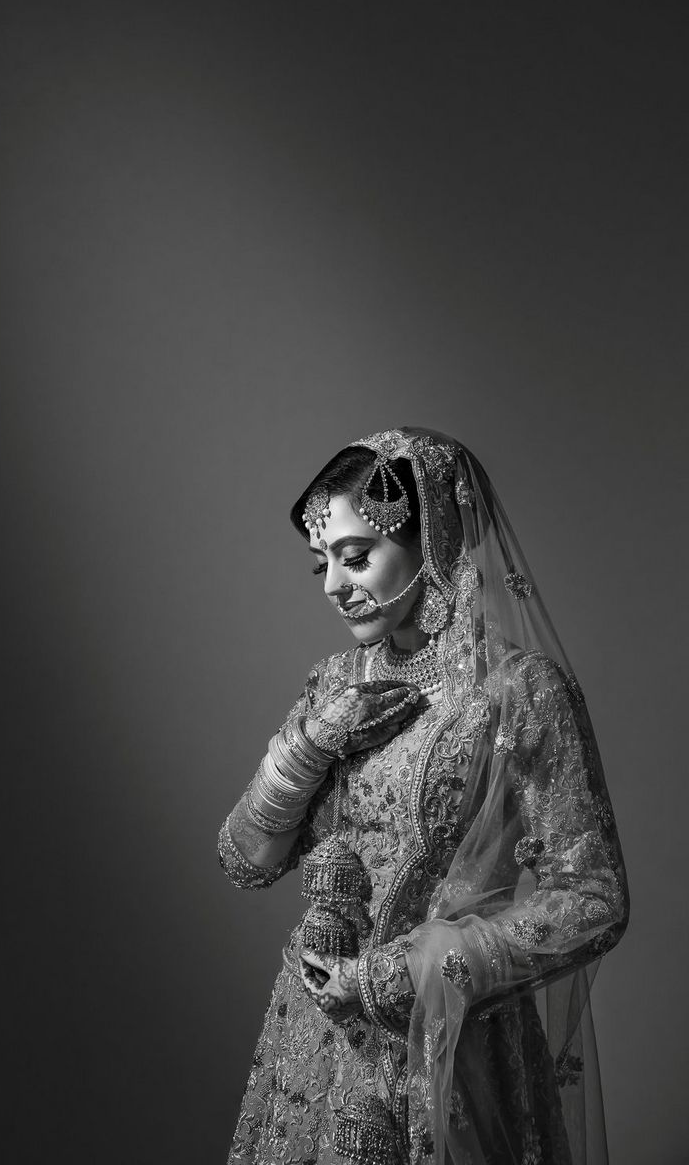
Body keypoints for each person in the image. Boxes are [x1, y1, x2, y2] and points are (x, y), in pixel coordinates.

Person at [219, 428, 628, 1165]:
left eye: (355, 557)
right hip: (313, 1048)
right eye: (322, 564)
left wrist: (402, 974)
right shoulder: (333, 687)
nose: (333, 587)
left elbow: (593, 896)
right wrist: (310, 745)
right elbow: (243, 860)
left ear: (433, 538)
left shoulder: (517, 692)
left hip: (450, 1047)